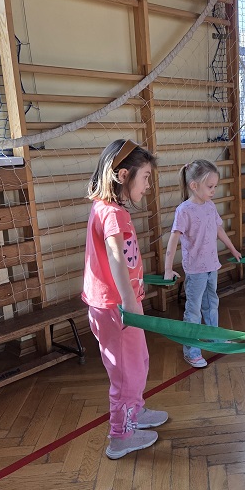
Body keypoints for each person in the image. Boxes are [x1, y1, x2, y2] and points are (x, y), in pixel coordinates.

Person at [82, 139, 169, 460]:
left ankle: (136, 411)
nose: (148, 185)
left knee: (138, 362)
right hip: (117, 308)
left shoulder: (108, 209)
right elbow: (117, 258)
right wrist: (130, 303)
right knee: (125, 374)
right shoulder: (112, 214)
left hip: (120, 305)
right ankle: (120, 436)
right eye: (145, 177)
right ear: (122, 176)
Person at [164, 159, 241, 368]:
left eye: (215, 186)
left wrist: (232, 249)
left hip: (212, 266)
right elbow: (173, 239)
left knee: (212, 304)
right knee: (193, 310)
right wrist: (168, 268)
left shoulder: (210, 206)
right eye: (210, 186)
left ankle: (214, 337)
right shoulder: (184, 210)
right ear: (194, 186)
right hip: (196, 270)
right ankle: (191, 351)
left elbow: (218, 229)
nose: (213, 191)